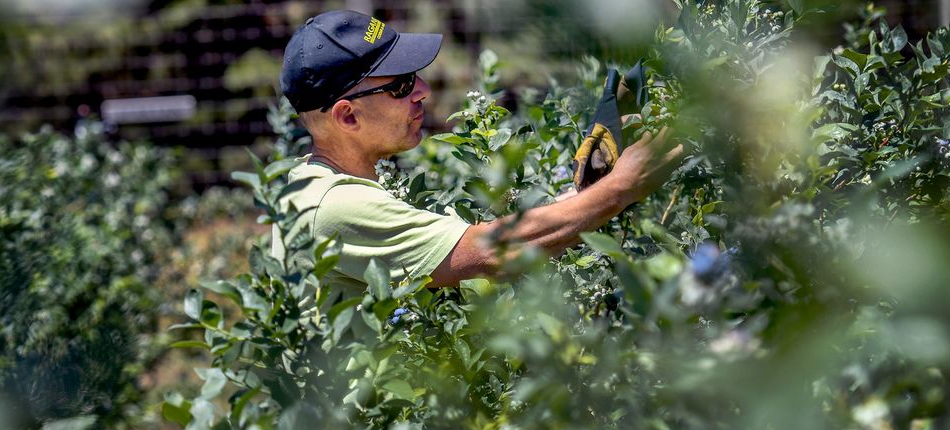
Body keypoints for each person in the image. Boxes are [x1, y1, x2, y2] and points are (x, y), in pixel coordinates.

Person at [274, 10, 684, 292]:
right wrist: (624, 186)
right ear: (347, 117)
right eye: (400, 85)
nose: (423, 91)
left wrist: (590, 189)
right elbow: (492, 252)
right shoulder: (335, 207)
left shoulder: (314, 185)